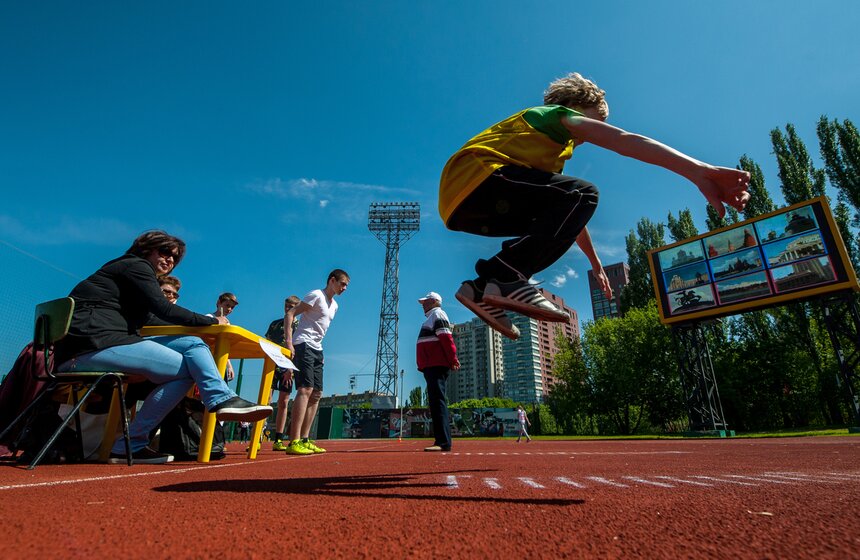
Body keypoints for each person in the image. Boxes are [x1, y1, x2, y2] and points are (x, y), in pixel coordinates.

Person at [440, 72, 751, 339]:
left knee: (566, 203)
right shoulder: (555, 116)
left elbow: (569, 220)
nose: (591, 135)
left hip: (464, 204)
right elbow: (624, 140)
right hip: (480, 176)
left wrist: (596, 265)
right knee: (584, 193)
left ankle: (480, 289)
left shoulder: (542, 156)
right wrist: (698, 170)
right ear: (577, 106)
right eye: (597, 121)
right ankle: (503, 276)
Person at [53, 230, 273, 464]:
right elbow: (163, 309)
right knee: (187, 371)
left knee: (192, 344)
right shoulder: (135, 266)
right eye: (165, 252)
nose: (170, 260)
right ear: (146, 248)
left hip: (106, 343)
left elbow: (153, 320)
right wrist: (211, 321)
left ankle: (220, 399)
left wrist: (201, 329)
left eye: (175, 258)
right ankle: (133, 443)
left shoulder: (129, 276)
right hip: (87, 349)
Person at [282, 270, 350, 455]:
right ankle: (293, 441)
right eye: (342, 284)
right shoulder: (316, 295)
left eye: (346, 286)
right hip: (302, 343)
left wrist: (321, 352)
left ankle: (305, 439)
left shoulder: (334, 305)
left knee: (317, 393)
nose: (344, 288)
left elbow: (320, 328)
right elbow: (291, 314)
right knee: (305, 389)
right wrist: (289, 342)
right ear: (332, 280)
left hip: (317, 349)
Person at [416, 292, 459, 452]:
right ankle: (440, 440)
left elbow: (447, 339)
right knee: (435, 402)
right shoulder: (432, 316)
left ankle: (443, 442)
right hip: (432, 365)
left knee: (438, 401)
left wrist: (453, 359)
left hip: (436, 365)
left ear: (434, 301)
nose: (423, 305)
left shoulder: (438, 314)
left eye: (425, 301)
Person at [265, 295, 301, 451]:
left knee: (283, 402)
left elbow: (299, 350)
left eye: (292, 306)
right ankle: (258, 437)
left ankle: (278, 439)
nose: (288, 308)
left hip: (288, 368)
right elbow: (266, 342)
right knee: (265, 401)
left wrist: (290, 369)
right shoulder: (275, 324)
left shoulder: (301, 326)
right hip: (271, 365)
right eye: (286, 305)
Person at [206, 293, 239, 382]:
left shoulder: (227, 323)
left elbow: (225, 345)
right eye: (227, 305)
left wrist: (229, 365)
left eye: (232, 307)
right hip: (208, 359)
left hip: (220, 359)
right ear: (219, 303)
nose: (229, 309)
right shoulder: (209, 318)